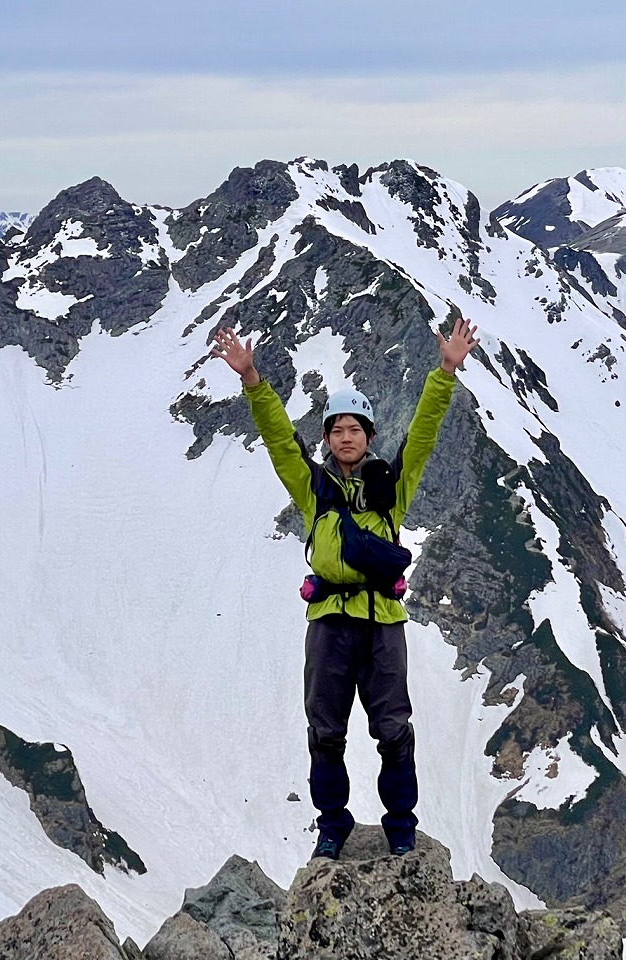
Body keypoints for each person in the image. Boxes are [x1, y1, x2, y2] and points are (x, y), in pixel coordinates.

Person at [211, 316, 480, 859]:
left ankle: (401, 831)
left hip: (382, 625)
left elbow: (422, 435)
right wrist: (252, 380)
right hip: (330, 624)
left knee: (394, 729)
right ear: (327, 439)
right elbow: (280, 441)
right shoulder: (313, 488)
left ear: (370, 436)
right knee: (326, 731)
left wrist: (446, 371)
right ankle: (333, 827)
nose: (346, 437)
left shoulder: (391, 488)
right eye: (337, 430)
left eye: (355, 429)